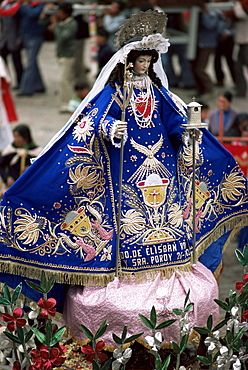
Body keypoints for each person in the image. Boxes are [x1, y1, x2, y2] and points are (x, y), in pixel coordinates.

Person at [0, 9, 247, 360]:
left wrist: (188, 136)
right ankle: (125, 283)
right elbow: (93, 118)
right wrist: (109, 128)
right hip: (123, 174)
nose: (146, 65)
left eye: (150, 60)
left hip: (159, 169)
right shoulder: (116, 93)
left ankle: (169, 280)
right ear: (128, 62)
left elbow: (174, 122)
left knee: (165, 220)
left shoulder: (158, 94)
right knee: (128, 224)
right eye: (141, 60)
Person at [46, 3, 78, 113]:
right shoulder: (63, 23)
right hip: (61, 54)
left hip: (68, 55)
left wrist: (55, 26)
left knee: (64, 80)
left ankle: (67, 102)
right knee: (65, 79)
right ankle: (67, 102)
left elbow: (62, 37)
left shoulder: (71, 24)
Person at [191, 3, 226, 98]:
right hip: (198, 43)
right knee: (194, 68)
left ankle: (209, 89)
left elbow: (209, 25)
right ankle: (201, 89)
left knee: (200, 69)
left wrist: (205, 13)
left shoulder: (214, 11)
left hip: (207, 44)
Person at [0, 124, 42, 191]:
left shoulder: (35, 151)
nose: (15, 139)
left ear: (25, 137)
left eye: (18, 136)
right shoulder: (11, 150)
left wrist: (30, 169)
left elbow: (41, 168)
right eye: (14, 136)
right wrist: (7, 177)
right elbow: (1, 165)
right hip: (12, 185)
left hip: (29, 185)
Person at [0, 0, 23, 89]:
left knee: (17, 63)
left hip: (14, 40)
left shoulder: (17, 8)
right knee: (3, 64)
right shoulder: (4, 6)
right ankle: (6, 81)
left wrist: (19, 39)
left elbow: (20, 25)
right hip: (4, 41)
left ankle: (20, 83)